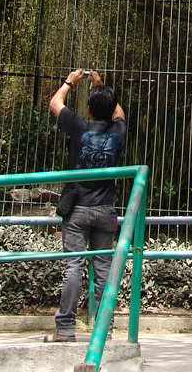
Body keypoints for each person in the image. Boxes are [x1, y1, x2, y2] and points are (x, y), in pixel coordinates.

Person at [47, 68, 127, 343]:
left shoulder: (79, 126)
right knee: (104, 268)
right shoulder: (118, 130)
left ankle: (65, 328)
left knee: (74, 267)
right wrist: (102, 87)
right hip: (106, 209)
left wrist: (71, 81)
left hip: (78, 209)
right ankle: (104, 327)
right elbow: (119, 113)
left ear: (89, 109)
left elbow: (55, 103)